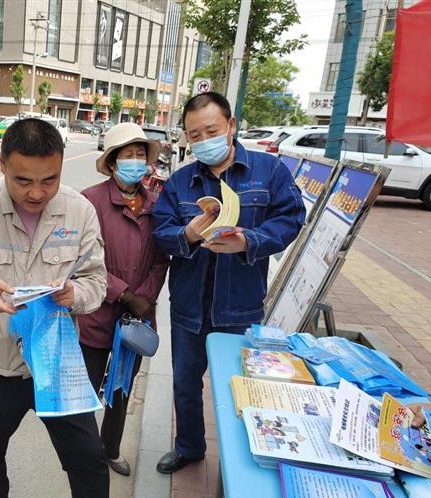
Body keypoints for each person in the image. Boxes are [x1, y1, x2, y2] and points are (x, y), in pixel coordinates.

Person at [0, 118, 113, 498]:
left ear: (62, 165)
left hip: (56, 363)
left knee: (88, 456)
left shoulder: (79, 211)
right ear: (2, 163)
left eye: (49, 180)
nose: (37, 193)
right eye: (23, 181)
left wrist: (74, 295)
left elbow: (97, 281)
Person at [152, 92, 305, 474]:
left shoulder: (269, 171)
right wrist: (187, 234)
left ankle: (242, 461)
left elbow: (291, 218)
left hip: (240, 306)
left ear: (231, 126)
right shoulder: (181, 182)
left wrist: (249, 241)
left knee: (241, 387)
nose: (204, 140)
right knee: (186, 384)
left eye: (211, 131)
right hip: (189, 306)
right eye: (194, 135)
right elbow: (161, 231)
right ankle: (189, 447)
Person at [79, 123, 169, 476]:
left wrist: (143, 298)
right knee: (85, 389)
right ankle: (83, 453)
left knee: (122, 389)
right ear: (113, 162)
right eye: (127, 154)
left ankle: (110, 449)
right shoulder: (90, 201)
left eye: (140, 154)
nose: (135, 160)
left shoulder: (156, 205)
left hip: (137, 319)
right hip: (95, 312)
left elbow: (161, 259)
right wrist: (124, 294)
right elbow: (83, 259)